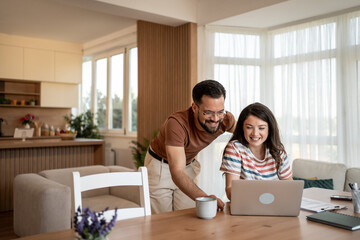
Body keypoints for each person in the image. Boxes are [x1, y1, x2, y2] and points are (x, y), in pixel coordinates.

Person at [144, 80, 236, 214]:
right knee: (162, 221)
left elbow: (247, 136)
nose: (215, 119)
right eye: (208, 112)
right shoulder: (176, 124)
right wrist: (206, 199)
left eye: (220, 112)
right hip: (161, 167)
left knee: (188, 217)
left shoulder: (226, 119)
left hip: (188, 166)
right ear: (194, 107)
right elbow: (177, 172)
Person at [220, 102, 293, 200]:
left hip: (274, 206)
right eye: (249, 127)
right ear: (242, 128)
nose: (255, 133)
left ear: (269, 129)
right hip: (246, 206)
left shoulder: (278, 151)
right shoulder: (235, 148)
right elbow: (230, 190)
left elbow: (290, 188)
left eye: (261, 128)